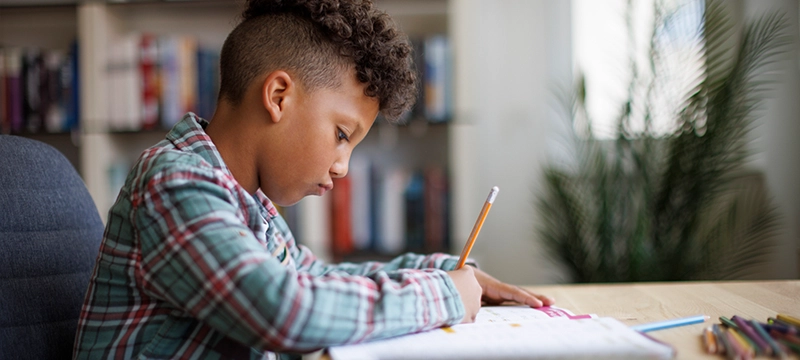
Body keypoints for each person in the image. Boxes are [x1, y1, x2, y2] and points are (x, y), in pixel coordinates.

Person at [72, 0, 554, 359]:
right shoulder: (174, 183)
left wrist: (439, 270)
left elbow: (317, 278)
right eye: (342, 134)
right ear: (279, 96)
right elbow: (284, 309)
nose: (342, 166)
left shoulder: (248, 203)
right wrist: (445, 296)